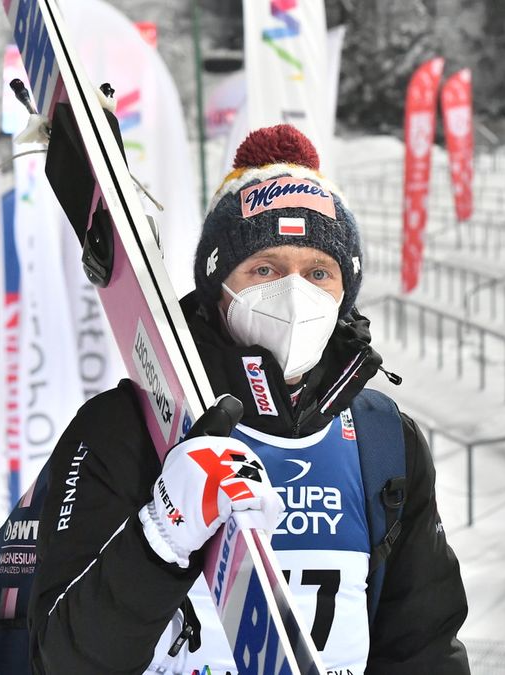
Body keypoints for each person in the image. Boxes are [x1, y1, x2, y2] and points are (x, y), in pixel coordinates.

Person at [28, 124, 469, 674]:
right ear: (219, 284)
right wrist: (161, 538)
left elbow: (423, 650)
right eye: (265, 269)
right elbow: (59, 660)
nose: (294, 292)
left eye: (318, 273)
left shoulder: (383, 442)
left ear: (344, 293)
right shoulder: (125, 426)